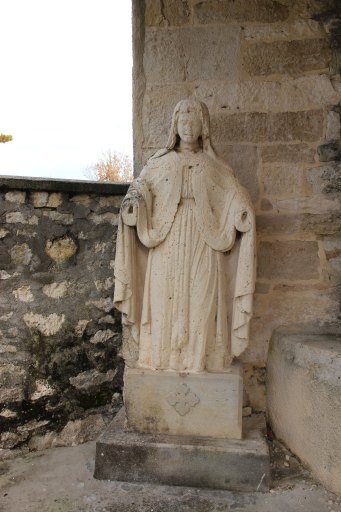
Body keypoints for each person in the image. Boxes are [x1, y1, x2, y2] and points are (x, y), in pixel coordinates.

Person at [114, 98, 256, 373]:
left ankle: (199, 361)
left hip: (205, 239)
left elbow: (235, 193)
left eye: (194, 121)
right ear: (175, 126)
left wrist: (242, 210)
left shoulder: (214, 165)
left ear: (204, 127)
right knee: (163, 297)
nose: (188, 127)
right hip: (165, 239)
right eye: (183, 121)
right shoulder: (159, 163)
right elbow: (139, 189)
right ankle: (161, 360)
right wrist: (134, 203)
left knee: (202, 300)